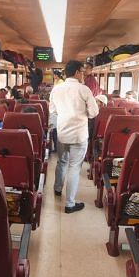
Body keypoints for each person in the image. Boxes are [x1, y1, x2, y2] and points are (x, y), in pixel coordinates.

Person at [49, 60, 99, 213]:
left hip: (63, 132)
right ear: (77, 72)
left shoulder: (56, 89)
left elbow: (53, 111)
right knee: (74, 167)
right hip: (79, 134)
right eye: (82, 72)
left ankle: (57, 189)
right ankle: (70, 203)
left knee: (62, 161)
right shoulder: (83, 90)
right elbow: (94, 113)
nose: (83, 74)